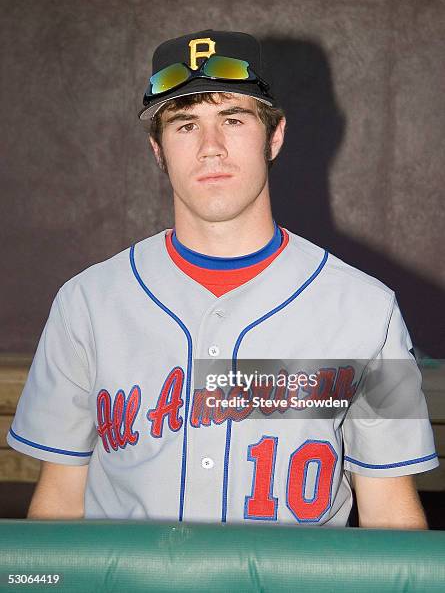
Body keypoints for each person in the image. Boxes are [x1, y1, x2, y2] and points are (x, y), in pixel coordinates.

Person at [8, 30, 438, 527]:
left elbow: (392, 514)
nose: (211, 147)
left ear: (273, 136)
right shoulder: (84, 304)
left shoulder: (369, 311)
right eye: (185, 125)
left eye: (233, 119)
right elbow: (59, 505)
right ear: (157, 149)